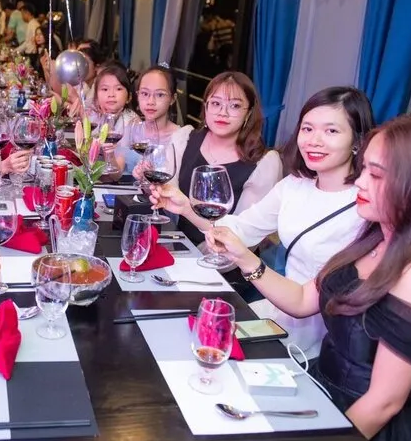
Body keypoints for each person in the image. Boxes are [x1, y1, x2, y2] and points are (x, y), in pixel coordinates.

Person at [205, 113, 411, 441]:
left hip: (363, 429)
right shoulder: (374, 235)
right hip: (319, 390)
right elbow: (303, 299)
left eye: (376, 175)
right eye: (364, 169)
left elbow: (384, 402)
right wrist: (245, 258)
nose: (359, 181)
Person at [153, 87, 373, 358]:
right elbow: (241, 229)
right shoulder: (295, 185)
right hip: (278, 314)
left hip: (321, 337)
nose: (314, 141)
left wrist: (247, 260)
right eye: (307, 129)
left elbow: (315, 298)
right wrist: (186, 208)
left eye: (331, 131)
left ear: (357, 141)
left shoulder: (366, 204)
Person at [137, 70, 282, 245]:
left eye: (235, 106)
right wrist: (151, 186)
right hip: (176, 245)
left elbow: (243, 237)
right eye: (215, 103)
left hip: (223, 257)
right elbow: (168, 204)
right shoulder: (185, 139)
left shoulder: (263, 163)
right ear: (205, 107)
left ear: (249, 112)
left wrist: (188, 210)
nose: (223, 113)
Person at [87, 62, 141, 177]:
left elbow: (116, 174)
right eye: (105, 89)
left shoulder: (131, 121)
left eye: (118, 89)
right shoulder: (95, 116)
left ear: (129, 97)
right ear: (96, 97)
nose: (111, 94)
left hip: (123, 179)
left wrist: (109, 153)